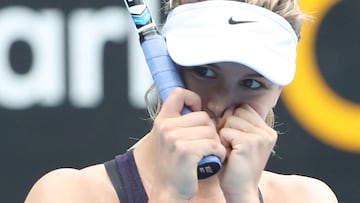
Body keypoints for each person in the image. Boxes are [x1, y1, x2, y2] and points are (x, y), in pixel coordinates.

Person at [25, 0, 339, 202]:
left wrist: (242, 198)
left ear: (277, 92)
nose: (219, 103)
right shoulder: (67, 195)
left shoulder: (309, 198)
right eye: (205, 71)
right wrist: (170, 195)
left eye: (252, 83)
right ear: (166, 64)